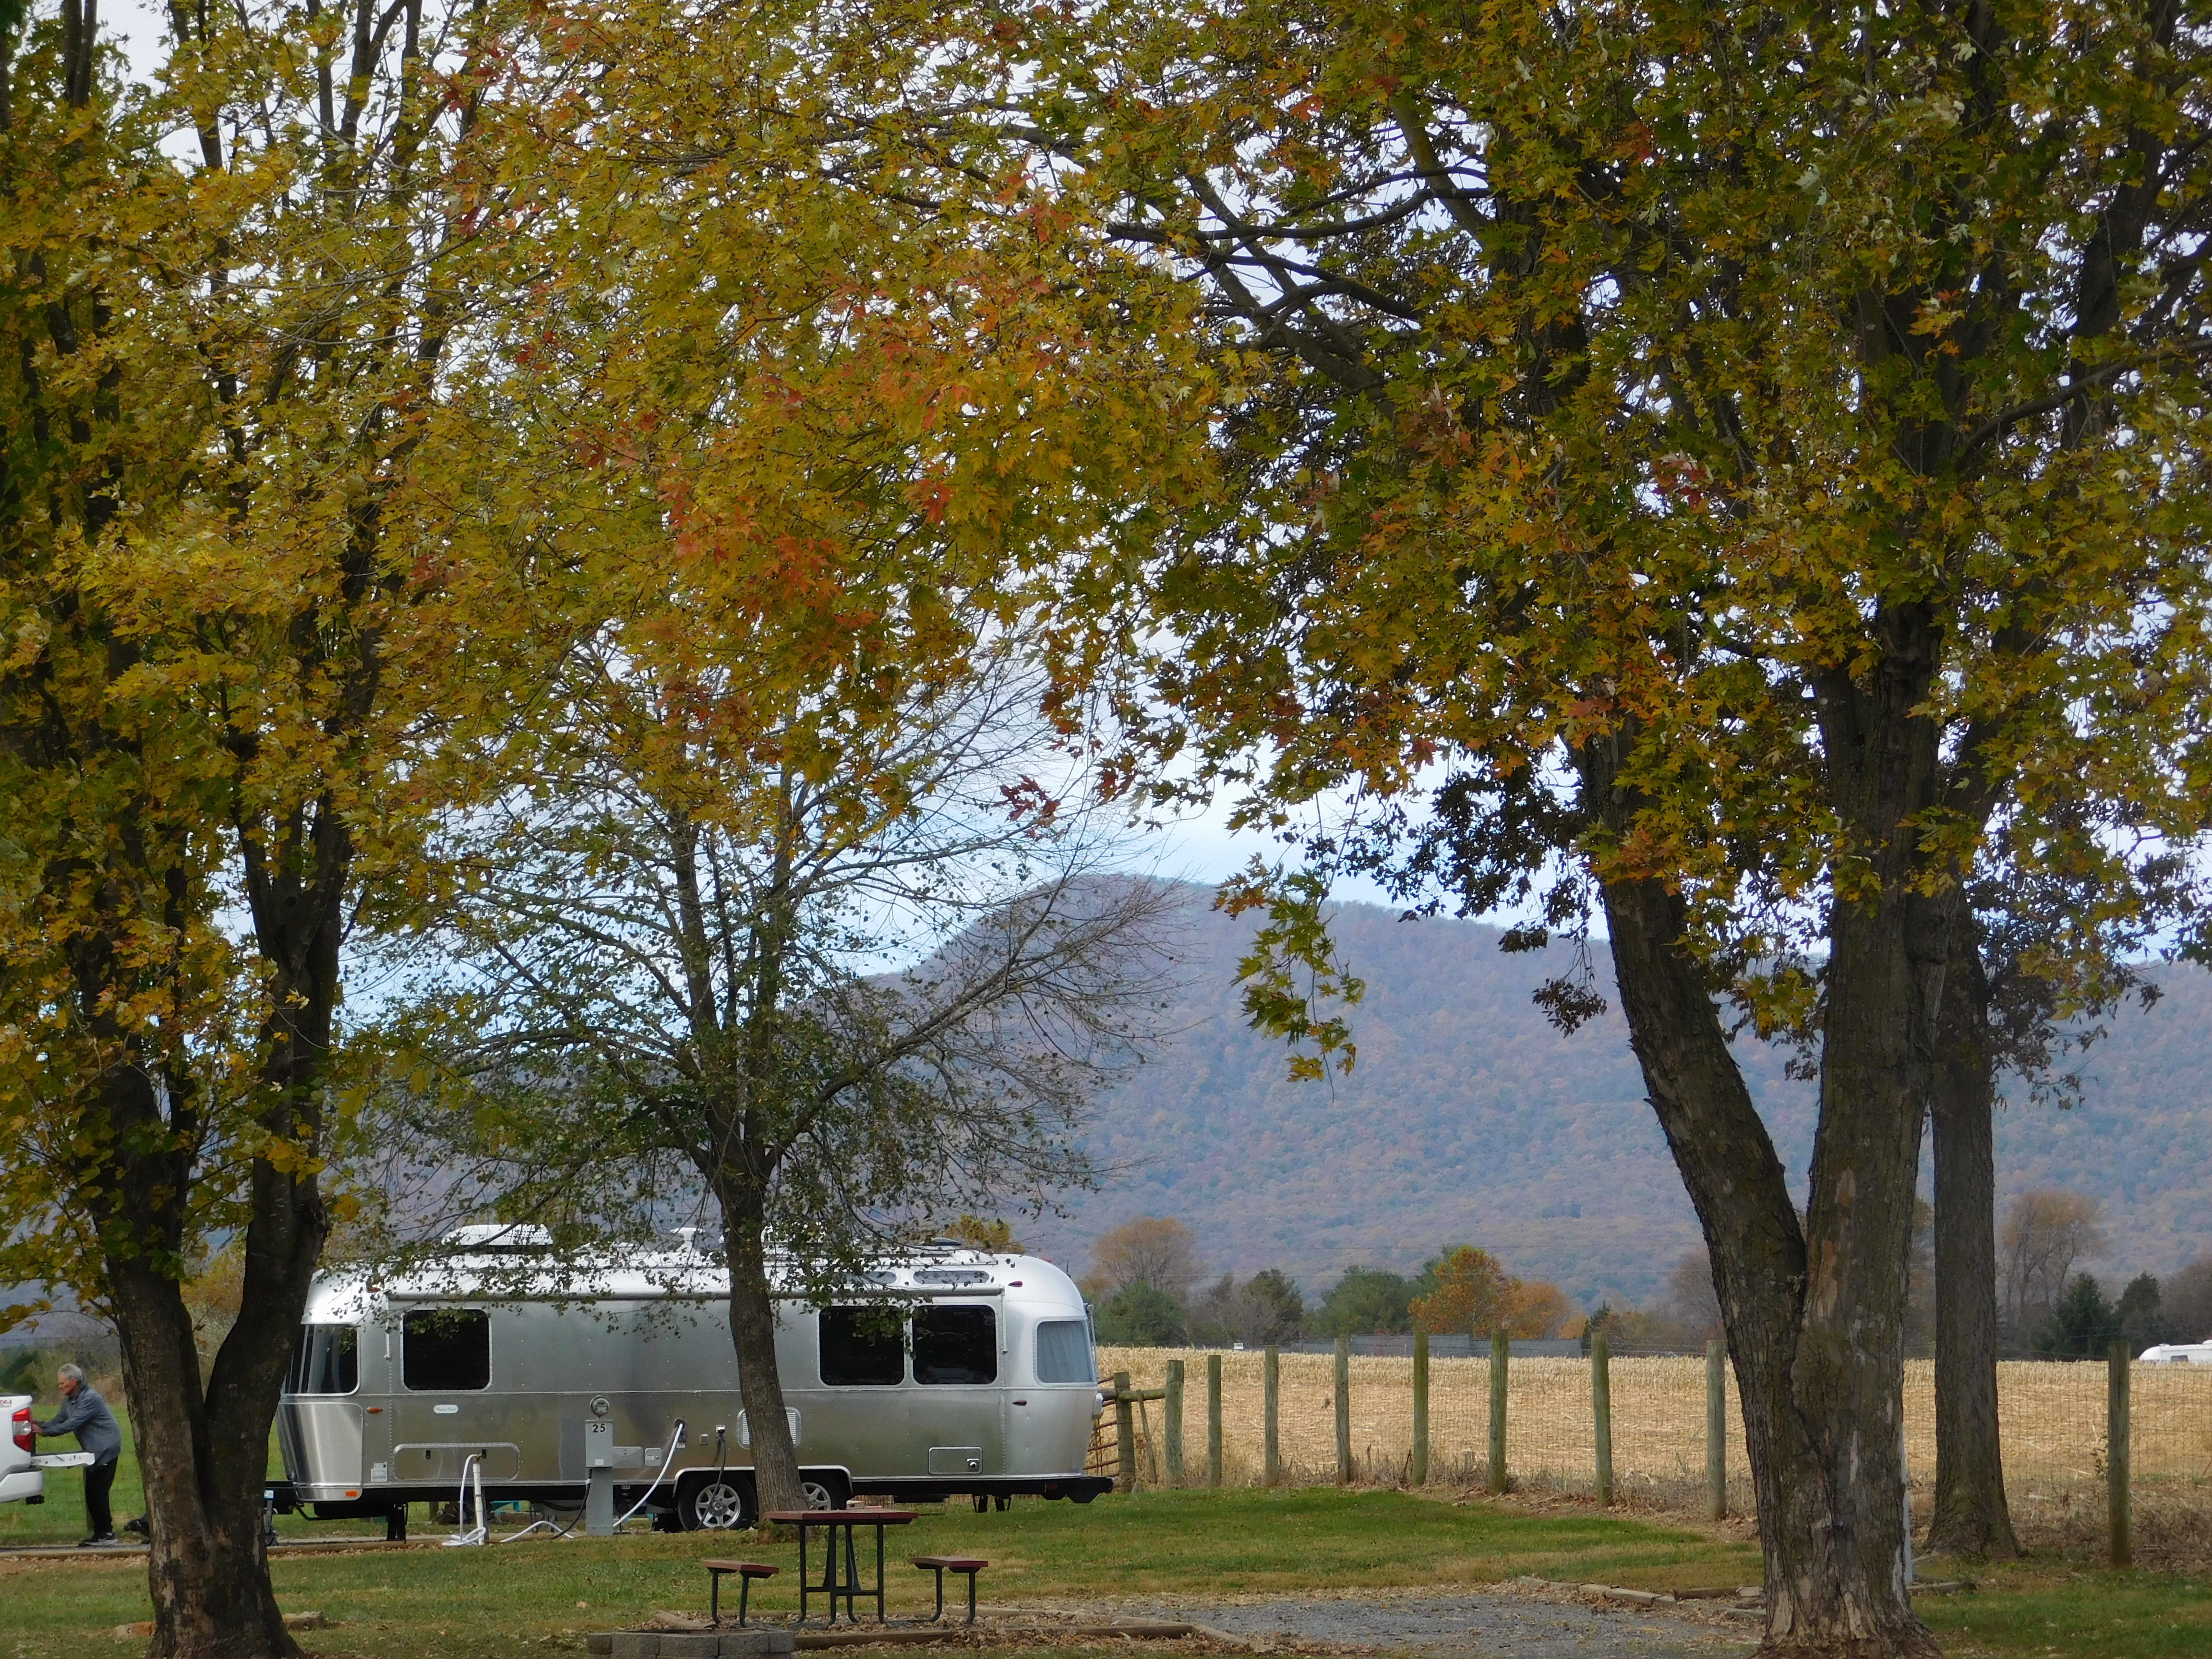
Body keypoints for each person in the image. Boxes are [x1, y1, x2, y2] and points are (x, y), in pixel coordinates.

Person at [36, 1363, 123, 1546]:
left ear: (73, 1381)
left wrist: (44, 1432)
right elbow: (58, 1421)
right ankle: (102, 1533)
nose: (60, 1387)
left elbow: (71, 1424)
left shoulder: (90, 1399)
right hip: (92, 1451)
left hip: (105, 1449)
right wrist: (36, 1424)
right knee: (92, 1493)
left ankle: (106, 1534)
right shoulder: (69, 1401)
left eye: (62, 1383)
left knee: (97, 1493)